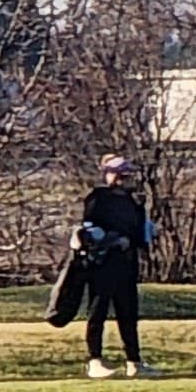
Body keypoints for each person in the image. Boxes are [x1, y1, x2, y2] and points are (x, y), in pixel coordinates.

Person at [74, 154, 151, 376]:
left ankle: (134, 362)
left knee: (128, 314)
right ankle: (94, 360)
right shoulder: (98, 198)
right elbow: (89, 230)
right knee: (97, 311)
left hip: (126, 265)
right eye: (120, 174)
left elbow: (138, 234)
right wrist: (113, 240)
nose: (124, 179)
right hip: (103, 264)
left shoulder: (133, 202)